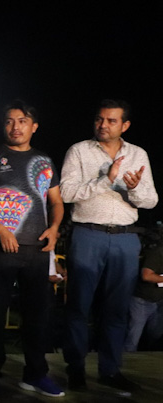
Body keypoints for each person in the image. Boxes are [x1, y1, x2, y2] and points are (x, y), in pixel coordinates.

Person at [0, 101, 65, 398]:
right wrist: (0, 228)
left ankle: (35, 374)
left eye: (22, 121)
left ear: (34, 126)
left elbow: (57, 202)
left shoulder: (45, 161)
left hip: (37, 250)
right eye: (9, 121)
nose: (15, 126)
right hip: (1, 248)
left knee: (38, 316)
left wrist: (55, 228)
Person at [60, 99, 158, 395]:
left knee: (117, 310)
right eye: (100, 119)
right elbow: (66, 193)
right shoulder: (79, 150)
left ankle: (110, 370)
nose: (103, 125)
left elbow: (151, 200)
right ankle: (75, 369)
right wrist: (106, 181)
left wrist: (133, 188)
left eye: (111, 121)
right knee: (79, 306)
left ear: (124, 125)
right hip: (87, 235)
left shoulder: (138, 154)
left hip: (127, 239)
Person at [124, 242, 163, 352]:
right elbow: (146, 275)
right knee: (132, 339)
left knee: (155, 336)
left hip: (159, 301)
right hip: (142, 301)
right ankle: (126, 364)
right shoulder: (157, 253)